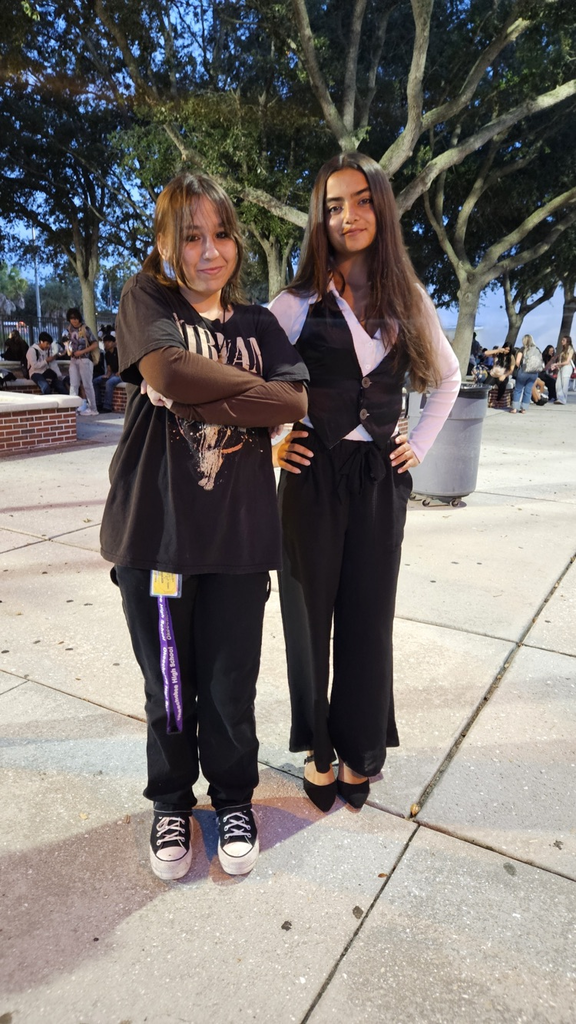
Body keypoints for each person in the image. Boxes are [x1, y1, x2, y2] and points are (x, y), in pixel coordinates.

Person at [99, 172, 308, 880]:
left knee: (229, 686)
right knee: (169, 683)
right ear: (168, 244)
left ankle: (232, 800)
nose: (208, 251)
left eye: (219, 234)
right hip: (156, 538)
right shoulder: (145, 299)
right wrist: (251, 399)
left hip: (241, 543)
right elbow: (166, 368)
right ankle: (170, 805)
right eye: (191, 236)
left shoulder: (260, 325)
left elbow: (295, 401)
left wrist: (190, 390)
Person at [268, 152, 460, 812]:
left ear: (381, 205)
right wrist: (276, 442)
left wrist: (416, 444)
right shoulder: (294, 303)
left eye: (360, 200)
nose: (347, 216)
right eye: (332, 206)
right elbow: (256, 385)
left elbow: (449, 378)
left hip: (379, 482)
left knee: (367, 622)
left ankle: (360, 751)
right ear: (320, 220)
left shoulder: (408, 300)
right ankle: (318, 751)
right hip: (312, 479)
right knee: (307, 619)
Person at [65, 307, 99, 415]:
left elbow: (95, 343)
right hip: (73, 359)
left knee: (87, 384)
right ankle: (72, 409)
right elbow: (66, 343)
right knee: (73, 384)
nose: (74, 320)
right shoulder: (68, 330)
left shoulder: (85, 329)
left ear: (79, 318)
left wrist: (82, 351)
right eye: (71, 318)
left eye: (75, 318)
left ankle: (93, 408)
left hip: (85, 359)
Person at [510, 334, 543, 413]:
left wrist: (519, 368)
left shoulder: (523, 349)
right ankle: (523, 409)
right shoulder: (537, 349)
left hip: (524, 371)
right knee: (528, 390)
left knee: (518, 390)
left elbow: (517, 362)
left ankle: (515, 408)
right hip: (534, 372)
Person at [93, 333, 121, 411]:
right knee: (95, 381)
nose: (106, 344)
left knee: (109, 383)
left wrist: (120, 372)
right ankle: (98, 404)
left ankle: (107, 406)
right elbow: (109, 367)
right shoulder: (107, 354)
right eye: (105, 342)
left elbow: (125, 364)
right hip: (113, 374)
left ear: (114, 342)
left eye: (108, 342)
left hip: (122, 374)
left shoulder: (119, 352)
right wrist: (107, 375)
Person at [552, 335, 575, 404]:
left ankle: (563, 399)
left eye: (563, 340)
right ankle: (560, 398)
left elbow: (567, 361)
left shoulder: (570, 349)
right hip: (561, 368)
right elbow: (560, 361)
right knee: (558, 383)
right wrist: (556, 365)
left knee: (564, 384)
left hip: (567, 367)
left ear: (567, 341)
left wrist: (557, 364)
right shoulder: (563, 350)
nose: (562, 341)